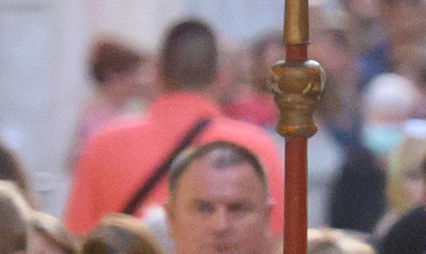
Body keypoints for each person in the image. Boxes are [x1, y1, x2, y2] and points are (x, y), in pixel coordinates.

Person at [62, 18, 281, 237]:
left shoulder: (103, 145)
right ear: (221, 78)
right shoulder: (254, 148)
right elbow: (278, 242)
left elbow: (78, 242)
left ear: (157, 75)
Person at [163, 142, 276, 254]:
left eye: (237, 209)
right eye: (203, 209)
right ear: (171, 217)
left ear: (266, 217)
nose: (220, 226)